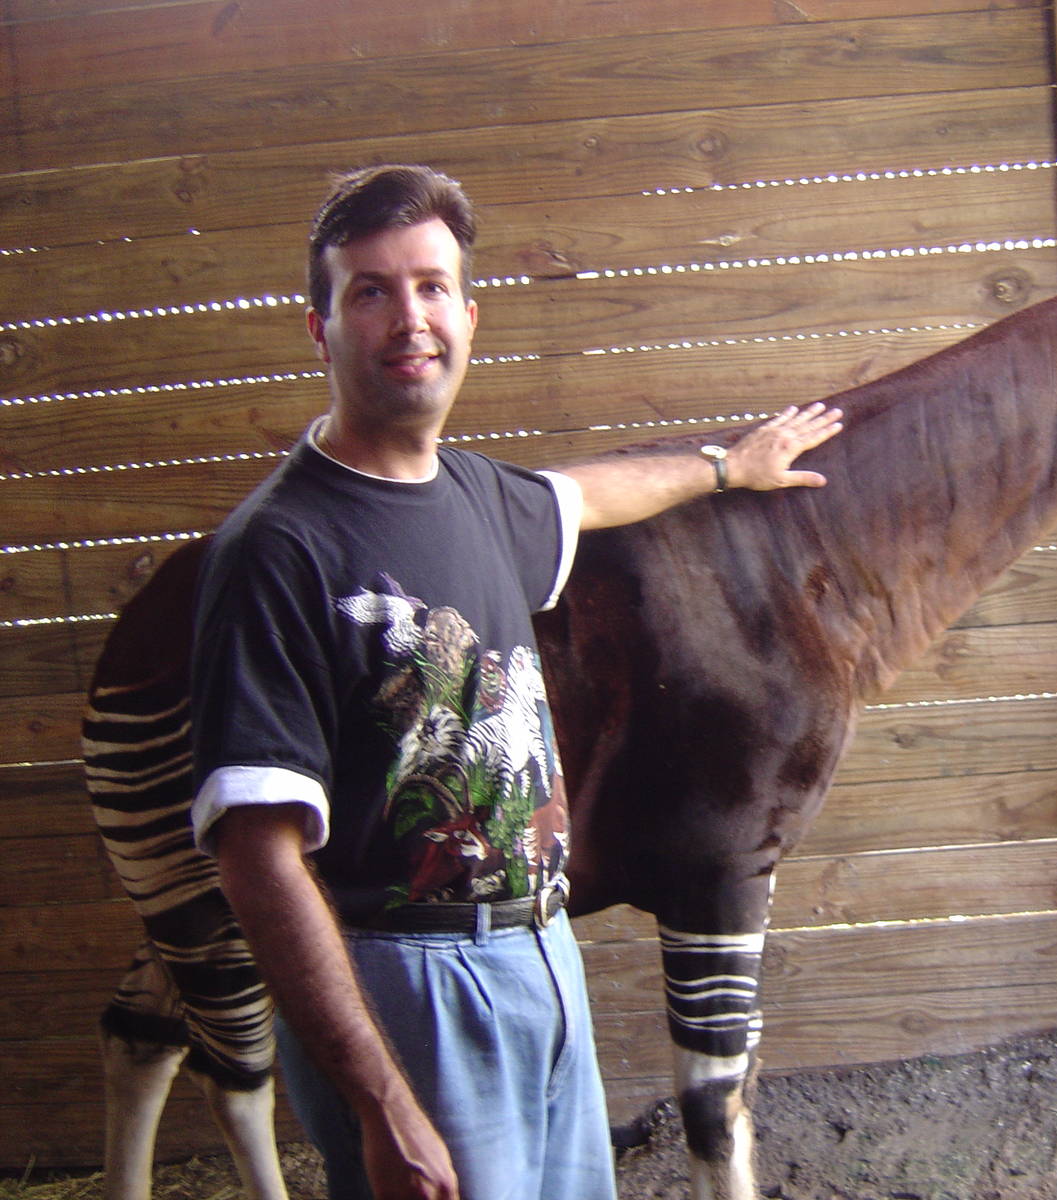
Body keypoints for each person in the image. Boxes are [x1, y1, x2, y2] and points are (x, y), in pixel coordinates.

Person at [191, 164, 843, 1200]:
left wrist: (730, 467)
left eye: (432, 285)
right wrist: (383, 1105)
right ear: (320, 328)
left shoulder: (477, 495)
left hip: (540, 960)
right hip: (409, 988)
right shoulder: (278, 550)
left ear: (468, 313)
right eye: (371, 291)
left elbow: (586, 496)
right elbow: (254, 858)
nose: (411, 317)